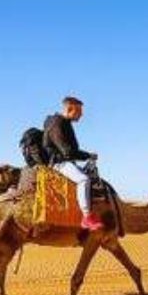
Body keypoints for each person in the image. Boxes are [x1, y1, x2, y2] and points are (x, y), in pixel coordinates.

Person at [42, 96, 102, 230]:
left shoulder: (64, 123)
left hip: (66, 162)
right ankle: (86, 217)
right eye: (79, 112)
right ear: (70, 109)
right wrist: (88, 155)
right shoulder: (56, 124)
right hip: (59, 164)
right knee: (83, 180)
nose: (81, 115)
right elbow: (67, 152)